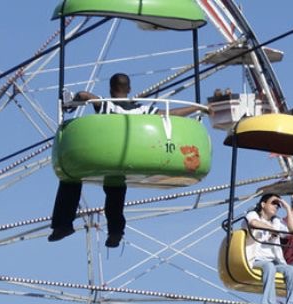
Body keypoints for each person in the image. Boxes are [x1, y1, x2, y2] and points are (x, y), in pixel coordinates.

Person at [48, 72, 200, 248]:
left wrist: (73, 100)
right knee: (115, 191)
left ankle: (63, 224)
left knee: (71, 179)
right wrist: (196, 108)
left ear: (111, 89)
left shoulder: (107, 106)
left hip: (107, 154)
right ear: (129, 89)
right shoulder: (143, 110)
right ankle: (116, 231)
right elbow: (170, 114)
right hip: (134, 154)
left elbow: (86, 96)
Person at [245, 193, 293, 304]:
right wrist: (271, 229)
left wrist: (287, 208)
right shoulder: (253, 214)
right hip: (255, 259)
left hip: (275, 261)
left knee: (292, 270)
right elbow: (253, 223)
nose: (276, 207)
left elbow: (291, 230)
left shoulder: (277, 221)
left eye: (278, 205)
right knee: (269, 267)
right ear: (263, 204)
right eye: (273, 203)